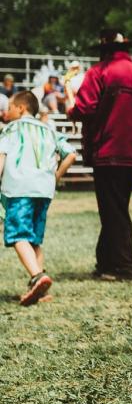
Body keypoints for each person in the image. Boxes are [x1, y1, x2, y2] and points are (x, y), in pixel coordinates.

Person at [66, 30, 132, 281]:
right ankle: (106, 263)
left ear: (103, 50)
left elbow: (85, 108)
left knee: (113, 210)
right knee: (115, 208)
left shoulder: (99, 73)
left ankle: (125, 266)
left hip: (107, 152)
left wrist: (71, 111)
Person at [0, 90, 76, 305]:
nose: (6, 112)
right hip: (44, 190)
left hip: (19, 188)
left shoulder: (12, 128)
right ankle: (40, 290)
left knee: (17, 235)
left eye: (10, 107)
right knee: (33, 238)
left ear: (21, 108)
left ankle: (37, 277)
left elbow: (1, 155)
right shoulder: (49, 129)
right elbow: (71, 154)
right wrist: (56, 177)